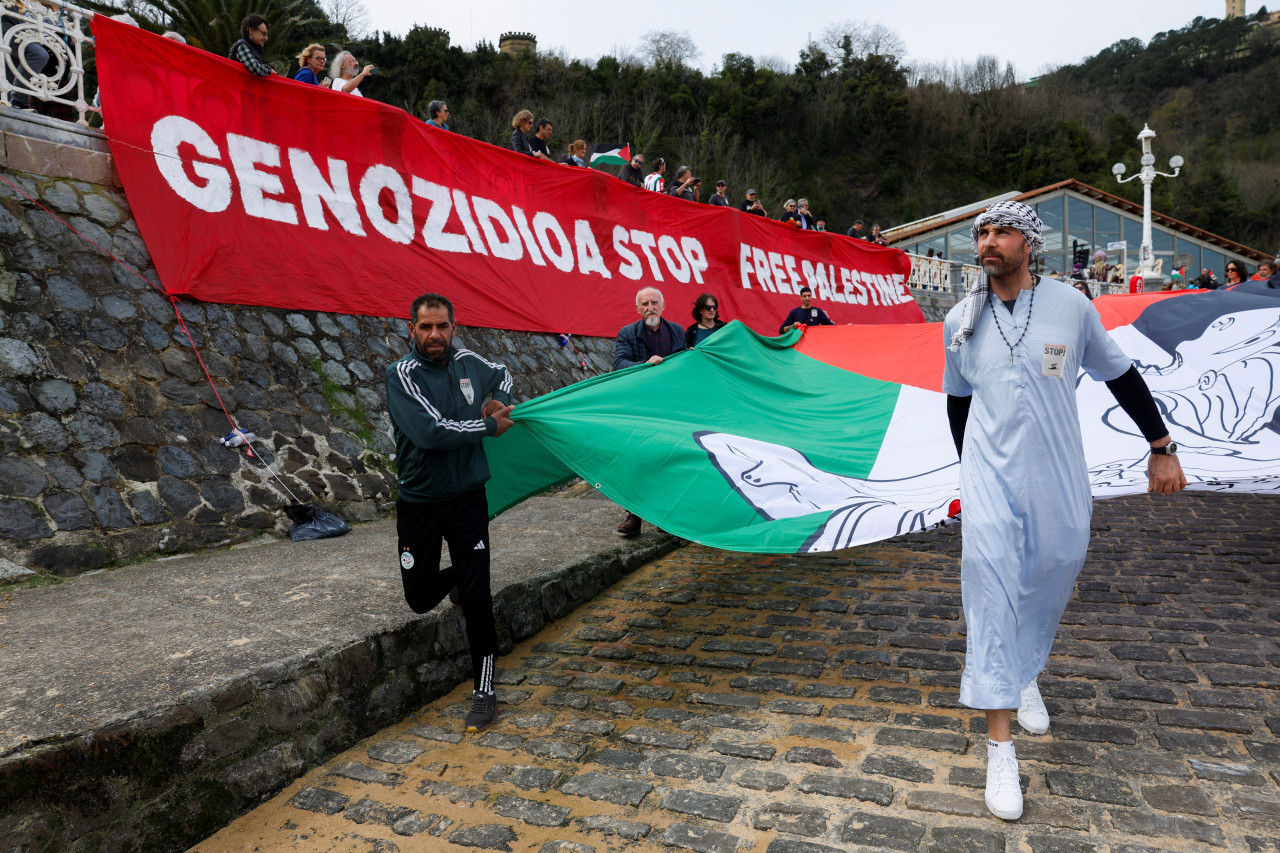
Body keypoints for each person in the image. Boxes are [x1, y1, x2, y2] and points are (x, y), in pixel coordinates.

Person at [942, 200, 1185, 822]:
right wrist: (966, 474)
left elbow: (1120, 376)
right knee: (991, 594)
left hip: (1057, 476)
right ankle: (1000, 746)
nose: (987, 242)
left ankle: (1026, 672)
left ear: (1029, 242)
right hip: (990, 477)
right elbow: (958, 403)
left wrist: (1161, 447)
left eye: (1000, 233)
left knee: (1053, 570)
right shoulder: (961, 320)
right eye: (981, 234)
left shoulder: (1072, 308)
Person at [386, 292, 515, 733]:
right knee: (420, 598)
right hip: (420, 503)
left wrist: (496, 398)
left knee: (478, 598)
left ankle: (484, 688)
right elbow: (431, 432)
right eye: (426, 327)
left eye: (442, 326)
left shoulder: (469, 363)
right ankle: (461, 575)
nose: (435, 335)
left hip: (467, 500)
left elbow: (504, 373)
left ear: (454, 328)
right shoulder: (401, 374)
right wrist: (489, 426)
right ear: (412, 330)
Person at [613, 287, 686, 536]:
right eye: (644, 304)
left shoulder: (677, 331)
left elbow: (685, 364)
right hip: (639, 409)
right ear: (637, 309)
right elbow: (619, 364)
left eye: (654, 302)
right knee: (637, 460)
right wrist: (643, 366)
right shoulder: (627, 333)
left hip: (671, 408)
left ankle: (665, 516)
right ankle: (634, 516)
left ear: (663, 305)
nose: (650, 308)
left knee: (668, 460)